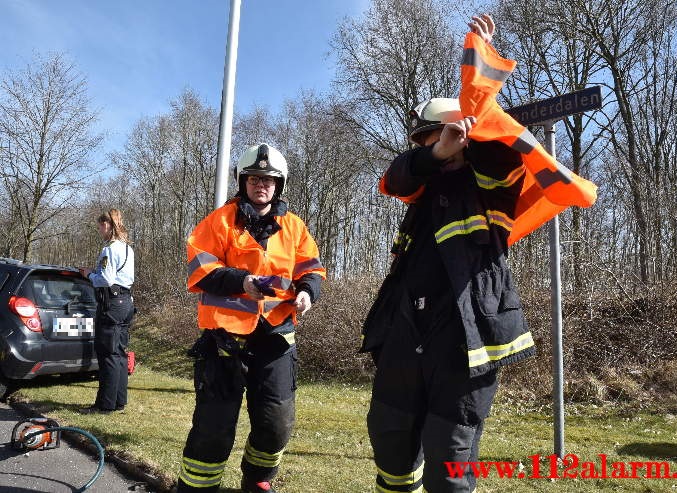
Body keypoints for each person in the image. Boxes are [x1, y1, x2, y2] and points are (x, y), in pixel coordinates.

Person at [360, 14, 596, 492]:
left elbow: (495, 141)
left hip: (465, 336)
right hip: (405, 331)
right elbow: (397, 175)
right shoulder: (417, 187)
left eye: (449, 137)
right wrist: (435, 156)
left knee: (451, 460)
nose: (442, 145)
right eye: (431, 139)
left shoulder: (493, 179)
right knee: (392, 446)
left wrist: (479, 66)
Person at [178, 143, 326, 493]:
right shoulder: (218, 222)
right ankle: (197, 488)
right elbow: (201, 272)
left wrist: (307, 292)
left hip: (276, 339)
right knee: (213, 429)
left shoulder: (294, 226)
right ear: (243, 181)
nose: (263, 185)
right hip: (224, 341)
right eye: (256, 178)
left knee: (275, 425)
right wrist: (242, 281)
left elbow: (312, 268)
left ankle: (257, 481)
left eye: (270, 180)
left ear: (280, 185)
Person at [79, 209, 135, 414]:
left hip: (111, 303)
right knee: (119, 354)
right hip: (126, 302)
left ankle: (105, 405)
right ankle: (119, 401)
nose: (99, 230)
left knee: (107, 355)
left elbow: (106, 279)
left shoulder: (110, 249)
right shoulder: (128, 249)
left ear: (107, 225)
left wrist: (89, 275)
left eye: (100, 226)